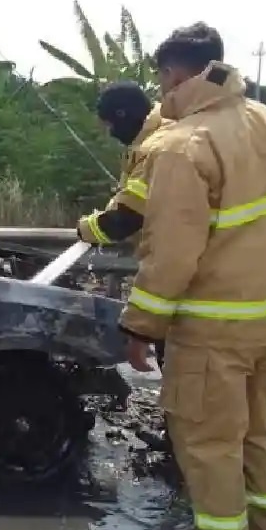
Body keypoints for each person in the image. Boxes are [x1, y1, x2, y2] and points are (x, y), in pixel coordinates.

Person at [118, 22, 266, 530]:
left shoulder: (185, 145)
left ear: (176, 73)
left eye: (162, 76)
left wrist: (140, 326)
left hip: (213, 334)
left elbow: (171, 254)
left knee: (210, 452)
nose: (161, 89)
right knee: (259, 438)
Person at [75, 81, 169, 367]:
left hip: (186, 295)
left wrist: (85, 228)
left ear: (122, 115)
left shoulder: (156, 147)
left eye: (110, 126)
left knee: (190, 399)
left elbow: (122, 222)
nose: (112, 134)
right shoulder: (163, 131)